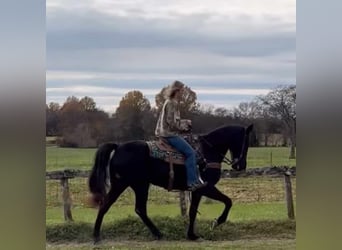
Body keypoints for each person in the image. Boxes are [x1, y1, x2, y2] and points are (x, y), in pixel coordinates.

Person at [155, 80, 207, 191]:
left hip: (165, 133)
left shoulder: (169, 102)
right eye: (182, 91)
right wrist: (185, 125)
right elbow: (172, 123)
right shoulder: (172, 103)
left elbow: (171, 121)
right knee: (191, 153)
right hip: (170, 135)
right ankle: (192, 182)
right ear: (176, 91)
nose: (183, 93)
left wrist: (184, 122)